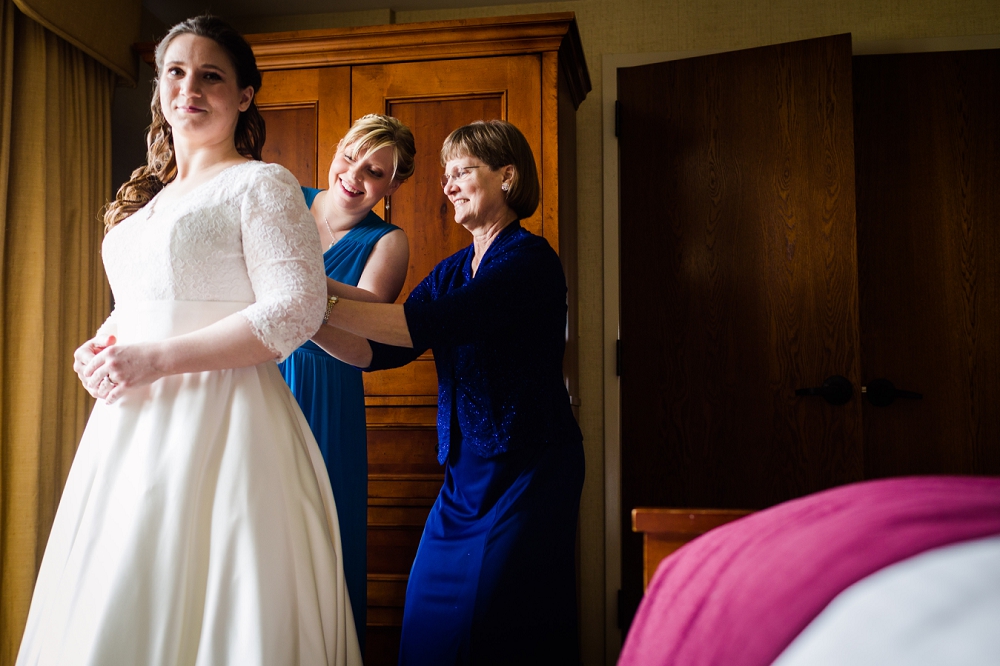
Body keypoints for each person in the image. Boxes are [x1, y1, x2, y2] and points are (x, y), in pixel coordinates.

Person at [16, 16, 361, 666]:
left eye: (211, 75)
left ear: (245, 95)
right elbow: (141, 305)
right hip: (128, 433)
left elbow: (297, 308)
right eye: (175, 71)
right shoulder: (146, 206)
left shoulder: (262, 184)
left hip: (228, 423)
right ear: (158, 87)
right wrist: (101, 345)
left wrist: (156, 359)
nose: (189, 88)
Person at [317, 119, 585, 665]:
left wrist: (310, 298)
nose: (449, 184)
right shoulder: (455, 268)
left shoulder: (530, 262)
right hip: (463, 478)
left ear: (507, 177)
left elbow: (430, 324)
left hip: (529, 469)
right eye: (446, 174)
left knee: (497, 627)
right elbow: (382, 348)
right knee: (427, 626)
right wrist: (305, 317)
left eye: (463, 171)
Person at [279, 114, 415, 649]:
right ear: (337, 150)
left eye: (375, 171)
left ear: (393, 185)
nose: (354, 176)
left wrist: (282, 271)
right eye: (350, 157)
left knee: (321, 530)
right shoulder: (286, 197)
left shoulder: (389, 241)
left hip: (328, 387)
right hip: (260, 368)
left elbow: (369, 312)